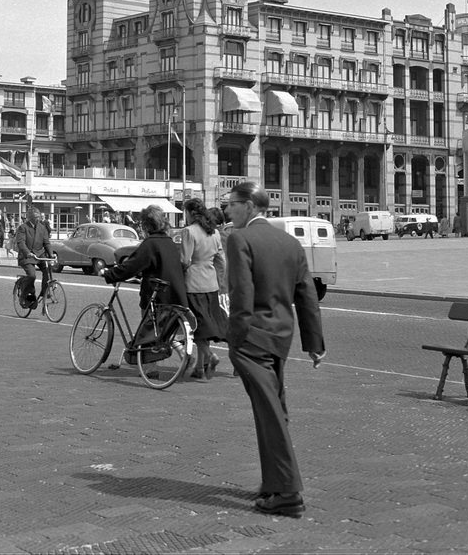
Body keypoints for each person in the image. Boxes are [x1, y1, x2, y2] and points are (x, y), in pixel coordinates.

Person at [224, 181, 325, 517]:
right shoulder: (290, 242)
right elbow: (307, 295)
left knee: (269, 414)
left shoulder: (240, 239)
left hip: (252, 338)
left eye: (232, 204)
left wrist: (234, 340)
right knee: (272, 410)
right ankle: (274, 481)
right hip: (280, 338)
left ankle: (287, 491)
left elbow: (241, 295)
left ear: (250, 205)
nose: (227, 210)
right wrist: (314, 343)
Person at [102, 204, 187, 313]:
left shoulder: (150, 244)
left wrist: (109, 274)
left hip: (157, 300)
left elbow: (132, 266)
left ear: (146, 226)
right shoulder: (170, 242)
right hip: (176, 298)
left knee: (149, 327)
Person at [180, 198, 228, 380]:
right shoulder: (214, 232)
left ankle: (210, 356)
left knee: (196, 327)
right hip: (211, 283)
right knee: (206, 327)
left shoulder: (189, 232)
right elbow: (221, 259)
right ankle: (200, 368)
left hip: (194, 283)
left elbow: (185, 260)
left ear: (191, 213)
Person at [14, 205, 53, 309]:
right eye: (36, 217)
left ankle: (45, 291)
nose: (38, 219)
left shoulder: (42, 227)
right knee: (32, 276)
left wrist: (51, 254)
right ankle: (24, 291)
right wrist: (27, 253)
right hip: (27, 256)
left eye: (38, 217)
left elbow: (46, 243)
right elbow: (21, 243)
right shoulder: (23, 228)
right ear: (30, 217)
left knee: (48, 270)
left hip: (39, 254)